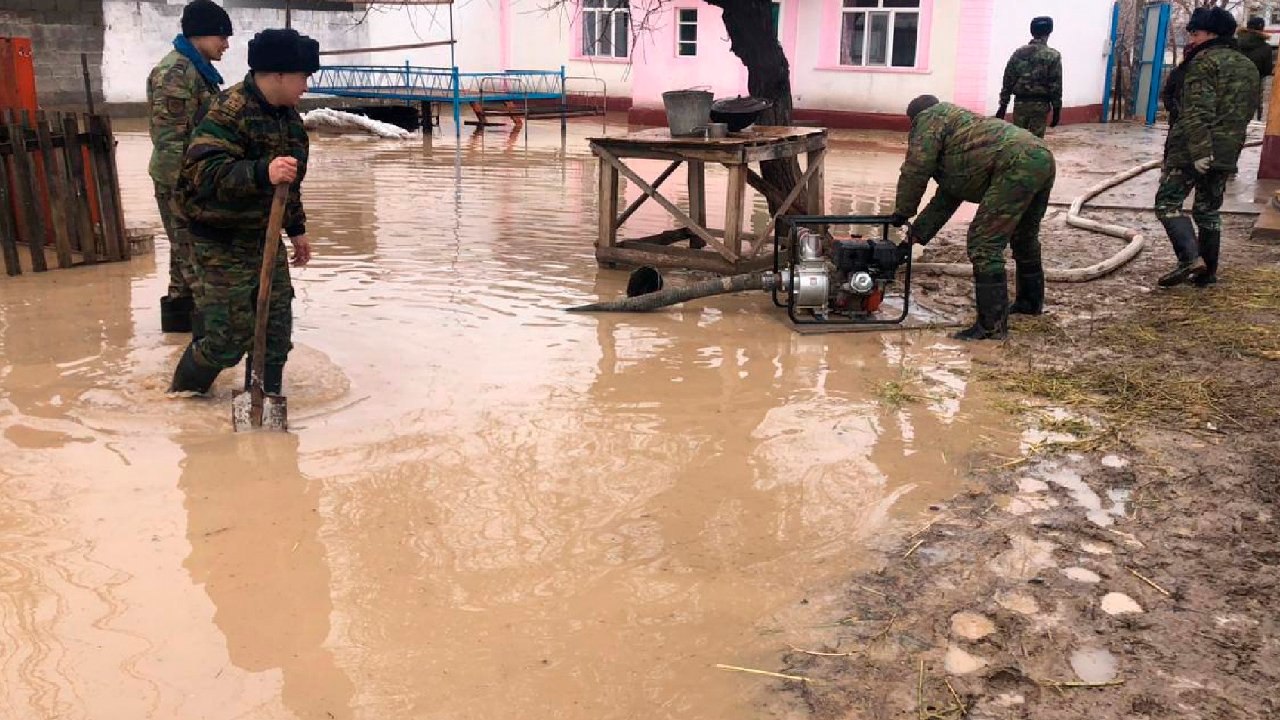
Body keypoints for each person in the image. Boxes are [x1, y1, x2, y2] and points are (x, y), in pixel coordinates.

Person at [169, 28, 318, 395]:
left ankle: (264, 404)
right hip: (218, 239)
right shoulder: (227, 111)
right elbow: (202, 173)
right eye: (303, 77)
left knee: (275, 331)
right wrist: (260, 172)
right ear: (279, 74)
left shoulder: (289, 118)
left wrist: (297, 229)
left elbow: (290, 181)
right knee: (227, 339)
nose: (306, 86)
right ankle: (183, 397)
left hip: (262, 237)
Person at [890, 95, 1055, 341]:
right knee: (1024, 236)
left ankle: (991, 328)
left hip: (1013, 161)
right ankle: (1029, 304)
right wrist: (909, 242)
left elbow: (916, 168)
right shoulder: (962, 135)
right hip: (1041, 156)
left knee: (983, 243)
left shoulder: (929, 120)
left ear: (914, 119)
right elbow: (944, 201)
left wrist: (901, 212)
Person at [1154, 7, 1259, 288]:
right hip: (1227, 151)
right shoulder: (1248, 66)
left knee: (1167, 203)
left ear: (1212, 34)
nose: (1192, 38)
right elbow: (1247, 112)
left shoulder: (1204, 62)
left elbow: (1197, 111)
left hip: (1193, 148)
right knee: (1208, 211)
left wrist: (1200, 151)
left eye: (1196, 32)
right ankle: (1208, 274)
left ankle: (1190, 259)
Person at [150, 0, 232, 334]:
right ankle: (206, 343)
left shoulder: (198, 71)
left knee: (182, 255)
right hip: (179, 182)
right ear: (200, 34)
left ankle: (177, 332)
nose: (226, 44)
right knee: (195, 256)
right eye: (222, 37)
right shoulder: (177, 72)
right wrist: (188, 190)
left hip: (190, 179)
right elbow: (170, 139)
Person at [996, 16, 1063, 138]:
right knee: (1035, 143)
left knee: (1019, 141)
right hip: (1040, 106)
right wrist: (1057, 110)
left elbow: (1008, 80)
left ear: (1032, 31)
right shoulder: (1053, 56)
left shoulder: (1019, 53)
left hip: (1021, 104)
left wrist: (1003, 106)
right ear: (1049, 32)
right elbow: (1055, 85)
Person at [1237, 16, 1274, 120]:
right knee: (1256, 103)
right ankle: (1257, 120)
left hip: (1236, 79)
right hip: (1257, 80)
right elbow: (1267, 69)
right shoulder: (1266, 47)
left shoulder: (1236, 43)